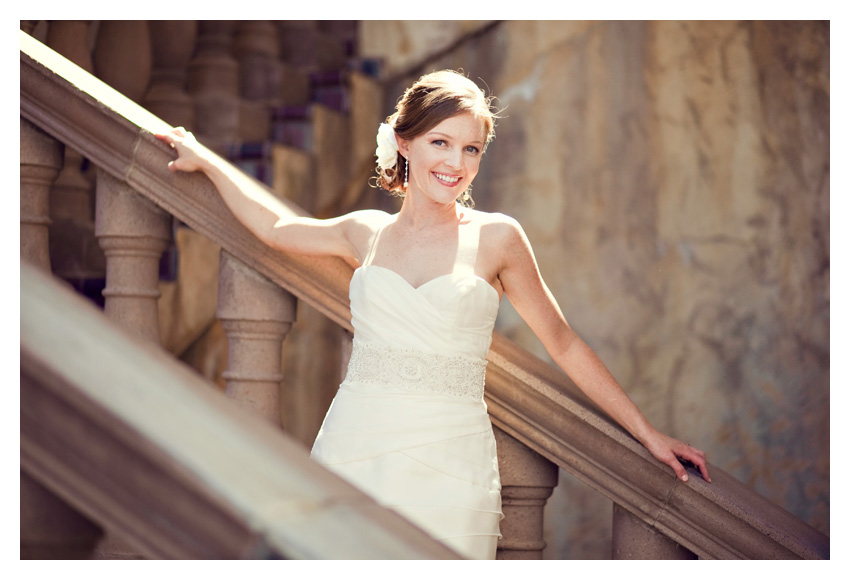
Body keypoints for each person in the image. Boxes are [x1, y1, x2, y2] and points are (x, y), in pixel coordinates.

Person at [156, 69, 710, 560]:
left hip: (452, 463)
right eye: (440, 142)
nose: (455, 163)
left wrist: (646, 432)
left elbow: (561, 342)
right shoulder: (364, 233)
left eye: (471, 150)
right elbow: (275, 229)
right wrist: (205, 161)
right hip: (355, 444)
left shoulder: (498, 238)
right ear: (404, 142)